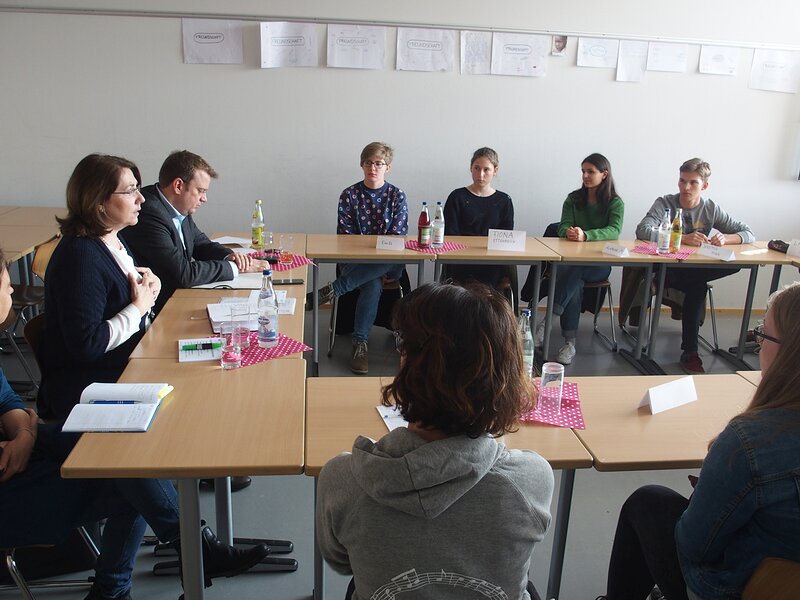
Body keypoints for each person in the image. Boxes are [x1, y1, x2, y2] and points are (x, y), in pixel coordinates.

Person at [0, 247, 270, 600]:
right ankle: (169, 560)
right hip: (11, 486)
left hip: (25, 448)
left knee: (128, 444)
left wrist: (22, 433)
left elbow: (8, 401)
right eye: (6, 286)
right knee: (134, 470)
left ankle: (133, 578)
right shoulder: (80, 257)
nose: (11, 293)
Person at [316, 282, 554, 600]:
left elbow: (341, 561)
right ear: (508, 377)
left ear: (408, 367)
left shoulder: (344, 478)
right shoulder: (532, 478)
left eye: (403, 344)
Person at [598, 282, 800, 600]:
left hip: (737, 588)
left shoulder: (748, 442)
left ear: (788, 352)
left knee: (647, 502)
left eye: (764, 333)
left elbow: (693, 544)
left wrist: (709, 485)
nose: (759, 343)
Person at [37, 154, 161, 421]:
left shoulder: (111, 239)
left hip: (126, 367)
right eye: (130, 191)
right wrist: (139, 308)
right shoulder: (80, 257)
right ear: (99, 202)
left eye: (138, 189)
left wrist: (152, 287)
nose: (141, 199)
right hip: (89, 392)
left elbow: (126, 300)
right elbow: (87, 344)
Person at [635, 158, 754, 374]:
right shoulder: (665, 203)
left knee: (732, 265)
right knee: (698, 288)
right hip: (668, 266)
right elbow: (643, 230)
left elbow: (747, 233)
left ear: (704, 186)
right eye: (682, 181)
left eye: (693, 183)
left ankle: (690, 351)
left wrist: (726, 239)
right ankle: (690, 352)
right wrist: (680, 239)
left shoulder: (710, 208)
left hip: (693, 269)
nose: (685, 187)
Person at [120, 150, 268, 316]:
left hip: (179, 298)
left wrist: (231, 257)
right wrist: (233, 268)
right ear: (178, 186)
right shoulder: (149, 213)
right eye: (201, 191)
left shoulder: (178, 208)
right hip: (160, 311)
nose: (205, 198)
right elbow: (182, 274)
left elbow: (200, 243)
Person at [314, 142, 409, 375]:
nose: (373, 168)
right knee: (372, 283)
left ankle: (334, 289)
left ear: (388, 167)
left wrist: (374, 251)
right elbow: (345, 239)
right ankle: (360, 344)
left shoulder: (397, 195)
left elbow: (396, 237)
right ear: (361, 164)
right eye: (368, 163)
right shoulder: (349, 195)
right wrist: (371, 252)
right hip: (355, 262)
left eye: (378, 163)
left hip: (391, 264)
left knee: (382, 265)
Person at [534, 153, 624, 365]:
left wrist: (588, 235)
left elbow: (614, 230)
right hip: (572, 262)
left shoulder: (615, 202)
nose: (585, 175)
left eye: (590, 172)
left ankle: (546, 323)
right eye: (583, 171)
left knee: (572, 272)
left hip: (598, 265)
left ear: (604, 174)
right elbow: (563, 225)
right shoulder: (573, 198)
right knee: (574, 280)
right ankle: (570, 343)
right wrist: (570, 232)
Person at [443, 147, 514, 289]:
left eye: (486, 169)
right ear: (471, 168)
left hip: (492, 260)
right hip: (461, 259)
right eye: (476, 168)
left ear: (495, 170)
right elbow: (450, 233)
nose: (480, 174)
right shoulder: (457, 197)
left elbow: (505, 236)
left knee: (489, 283)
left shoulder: (504, 200)